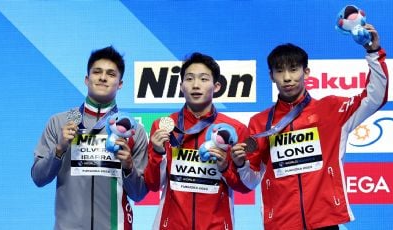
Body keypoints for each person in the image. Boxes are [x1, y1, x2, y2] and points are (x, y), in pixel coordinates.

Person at [231, 24, 388, 229]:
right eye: (280, 71)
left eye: (294, 69)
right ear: (271, 76)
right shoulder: (259, 123)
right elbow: (250, 181)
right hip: (281, 224)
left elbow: (375, 97)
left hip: (325, 222)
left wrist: (373, 52)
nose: (287, 77)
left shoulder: (331, 110)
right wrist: (241, 164)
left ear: (306, 72)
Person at [31, 46, 148, 230]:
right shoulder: (60, 122)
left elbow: (139, 194)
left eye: (111, 74)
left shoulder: (134, 131)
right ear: (87, 79)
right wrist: (59, 150)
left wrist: (128, 167)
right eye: (97, 72)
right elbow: (38, 178)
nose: (103, 77)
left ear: (120, 83)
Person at [144, 52, 251, 229]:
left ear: (216, 86)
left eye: (203, 79)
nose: (195, 85)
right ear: (181, 86)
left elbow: (244, 187)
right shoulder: (163, 127)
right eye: (189, 79)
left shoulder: (235, 130)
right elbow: (153, 185)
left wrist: (225, 167)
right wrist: (157, 152)